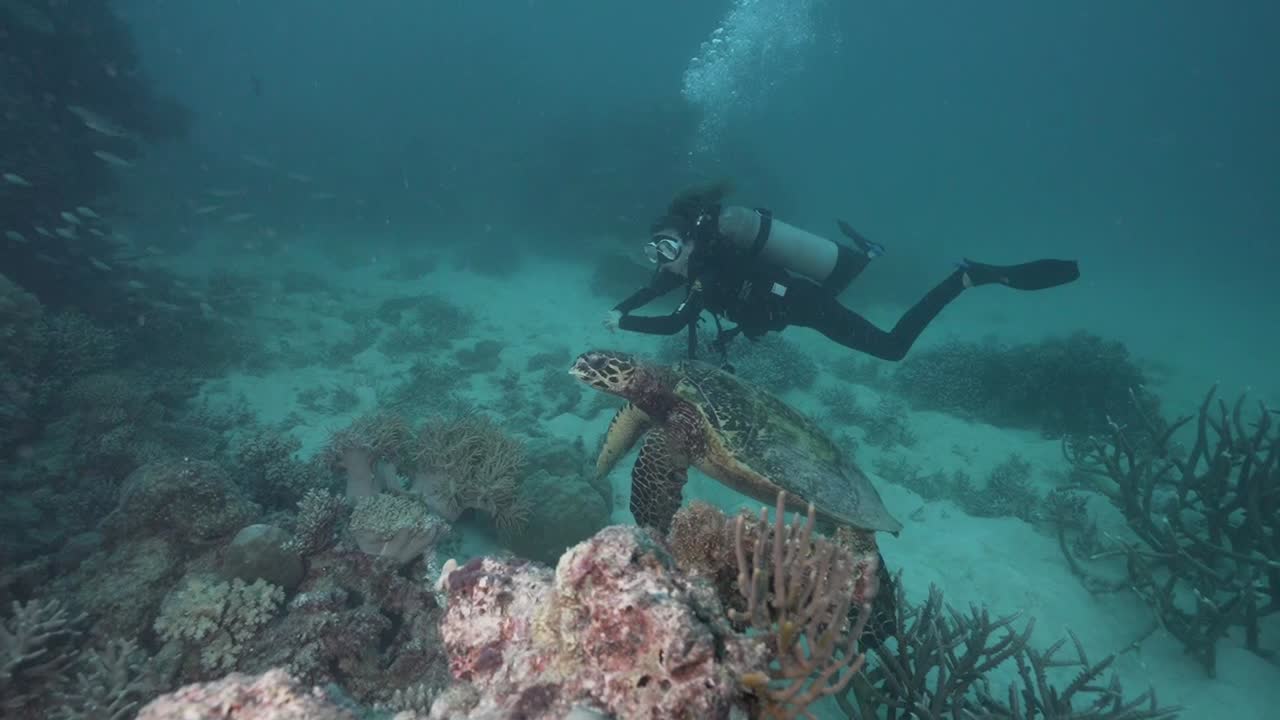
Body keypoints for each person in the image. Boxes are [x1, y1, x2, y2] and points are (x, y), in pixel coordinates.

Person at [604, 182, 1080, 362]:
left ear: (690, 239)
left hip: (802, 303)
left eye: (668, 246)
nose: (663, 258)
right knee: (843, 277)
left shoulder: (707, 273)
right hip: (792, 298)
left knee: (892, 349)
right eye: (654, 251)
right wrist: (620, 307)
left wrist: (619, 324)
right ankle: (865, 252)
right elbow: (653, 289)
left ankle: (963, 279)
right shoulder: (688, 267)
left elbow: (672, 322)